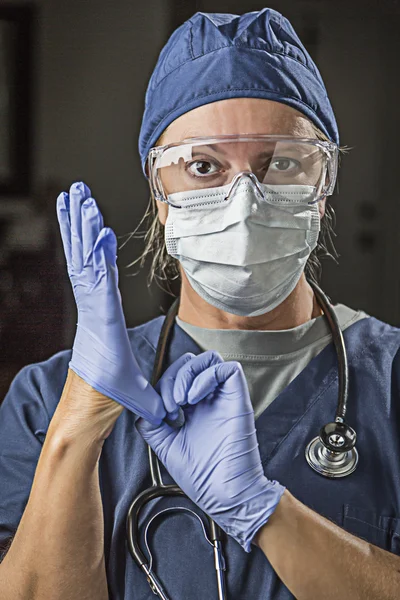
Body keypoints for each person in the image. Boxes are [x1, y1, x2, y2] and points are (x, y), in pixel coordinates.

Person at [0, 7, 400, 600]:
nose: (245, 202)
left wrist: (263, 511)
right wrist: (83, 415)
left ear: (323, 187)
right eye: (204, 166)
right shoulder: (46, 402)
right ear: (160, 193)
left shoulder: (391, 382)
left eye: (282, 163)